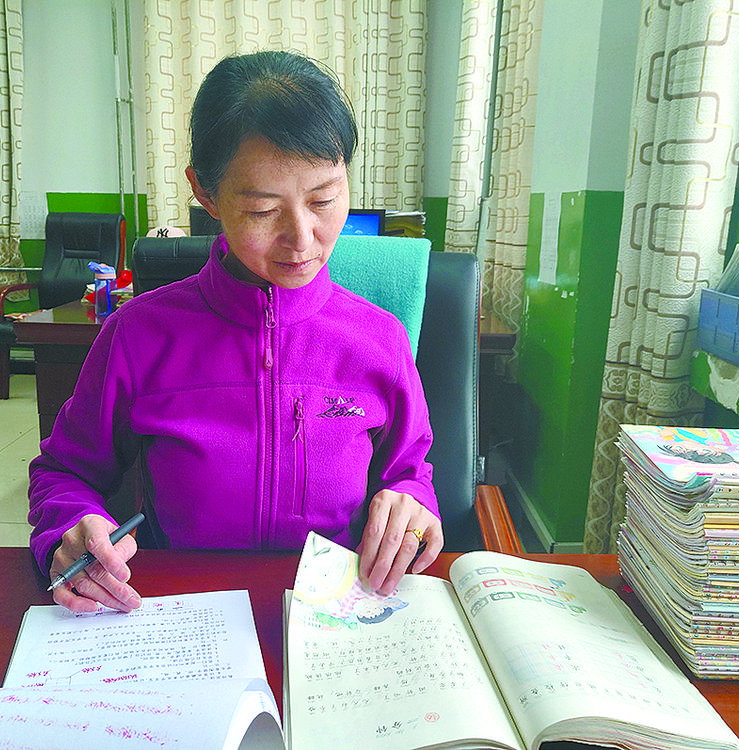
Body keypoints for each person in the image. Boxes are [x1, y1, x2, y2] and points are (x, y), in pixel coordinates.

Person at [28, 49, 442, 614]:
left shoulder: (380, 340)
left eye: (324, 200)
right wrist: (71, 526)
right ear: (206, 194)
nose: (303, 238)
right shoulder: (138, 336)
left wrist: (414, 505)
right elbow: (64, 471)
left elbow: (410, 472)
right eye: (262, 211)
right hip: (183, 612)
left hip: (336, 617)